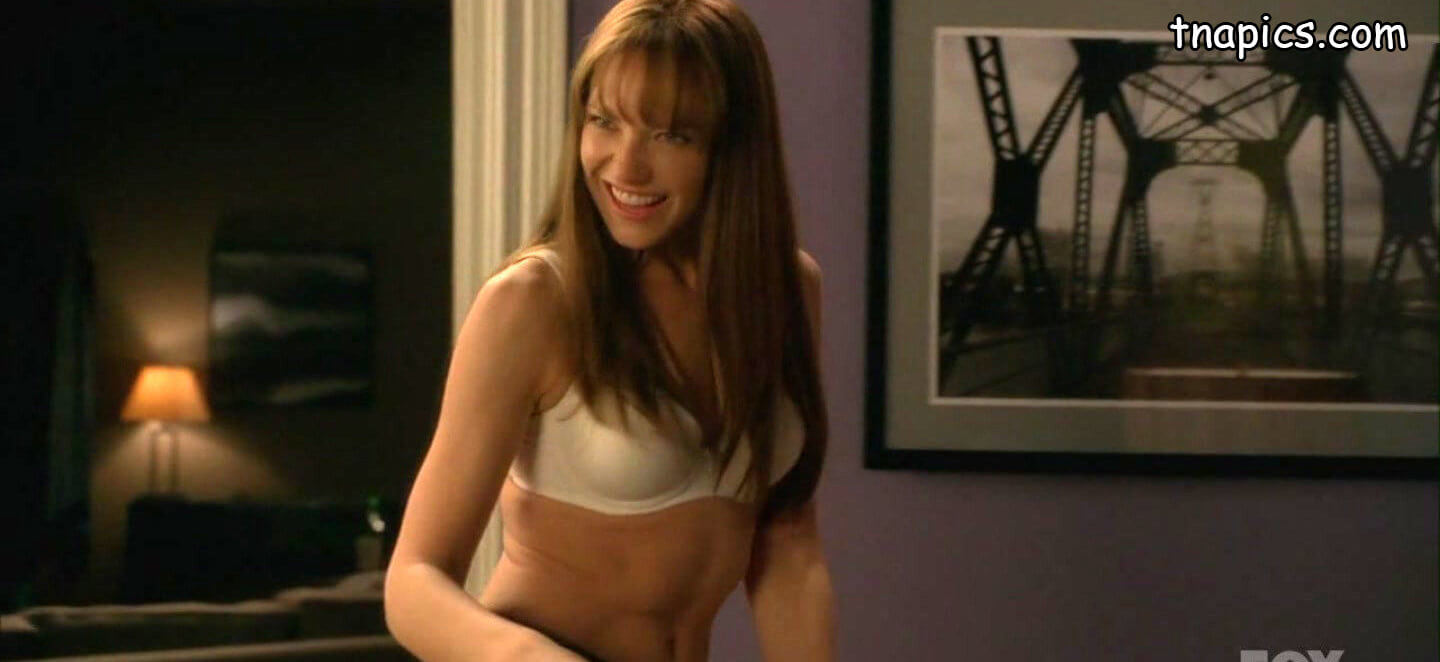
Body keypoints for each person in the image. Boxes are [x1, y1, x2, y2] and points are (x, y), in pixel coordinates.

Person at [383, 1, 835, 660]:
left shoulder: (786, 291)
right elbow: (413, 582)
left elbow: (787, 542)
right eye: (604, 121)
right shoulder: (534, 302)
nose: (625, 167)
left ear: (733, 147)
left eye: (670, 135)